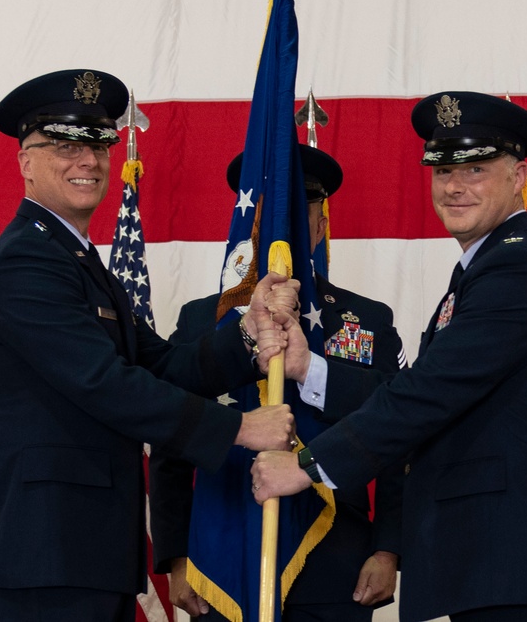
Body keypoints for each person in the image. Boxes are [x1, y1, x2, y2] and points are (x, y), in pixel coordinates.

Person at [250, 92, 527, 622]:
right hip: (487, 559)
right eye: (443, 170)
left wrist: (308, 466)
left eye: (476, 168)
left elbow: (428, 394)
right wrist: (311, 368)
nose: (454, 185)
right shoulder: (481, 269)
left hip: (514, 558)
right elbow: (427, 389)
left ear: (519, 177)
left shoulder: (520, 271)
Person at [0, 68, 299, 622]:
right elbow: (105, 385)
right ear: (26, 161)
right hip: (44, 556)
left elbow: (162, 363)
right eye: (66, 146)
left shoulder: (79, 262)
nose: (89, 161)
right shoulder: (27, 261)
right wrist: (237, 428)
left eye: (99, 144)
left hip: (86, 553)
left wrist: (248, 332)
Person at [149, 144, 407, 621]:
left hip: (337, 557)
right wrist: (177, 556)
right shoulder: (205, 319)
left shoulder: (367, 320)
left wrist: (388, 548)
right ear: (250, 223)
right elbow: (171, 441)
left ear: (321, 225)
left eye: (300, 209)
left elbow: (399, 436)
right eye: (270, 214)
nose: (282, 229)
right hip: (220, 552)